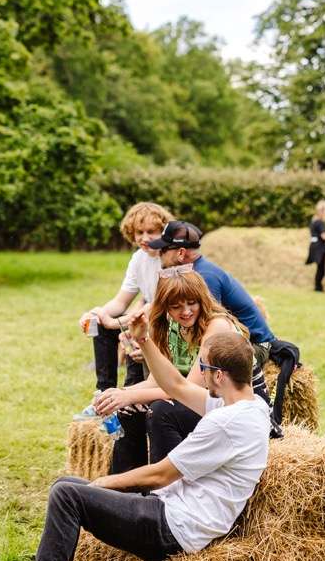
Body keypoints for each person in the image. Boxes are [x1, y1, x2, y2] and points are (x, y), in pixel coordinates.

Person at [0, 331, 270, 561]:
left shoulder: (225, 423)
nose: (200, 375)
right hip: (176, 515)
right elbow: (176, 387)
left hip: (174, 528)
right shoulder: (251, 407)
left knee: (67, 494)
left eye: (203, 368)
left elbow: (160, 475)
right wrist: (144, 340)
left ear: (219, 376)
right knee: (67, 485)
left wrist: (103, 483)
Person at [93, 272, 270, 473]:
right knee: (128, 409)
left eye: (192, 303)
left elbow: (188, 389)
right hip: (205, 398)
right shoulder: (169, 325)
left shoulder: (217, 325)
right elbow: (155, 382)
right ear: (166, 307)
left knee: (161, 410)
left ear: (202, 300)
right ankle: (127, 487)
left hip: (238, 405)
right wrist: (118, 395)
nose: (185, 312)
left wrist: (129, 395)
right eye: (176, 306)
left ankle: (164, 489)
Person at [76, 201, 173, 414]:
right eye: (139, 232)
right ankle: (104, 393)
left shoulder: (168, 257)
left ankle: (130, 394)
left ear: (163, 231)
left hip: (163, 322)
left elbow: (158, 306)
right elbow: (121, 302)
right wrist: (97, 312)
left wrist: (115, 321)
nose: (144, 238)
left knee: (128, 329)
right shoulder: (138, 259)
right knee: (101, 324)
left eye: (151, 232)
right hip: (143, 317)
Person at [144, 220, 275, 350]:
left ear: (181, 253)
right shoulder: (196, 272)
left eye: (163, 249)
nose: (159, 254)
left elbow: (208, 327)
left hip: (256, 345)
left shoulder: (205, 276)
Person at [306, 200, 325, 292]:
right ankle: (318, 286)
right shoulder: (320, 222)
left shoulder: (314, 221)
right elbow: (324, 236)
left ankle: (318, 286)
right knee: (321, 268)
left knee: (320, 268)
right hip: (320, 247)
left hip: (314, 245)